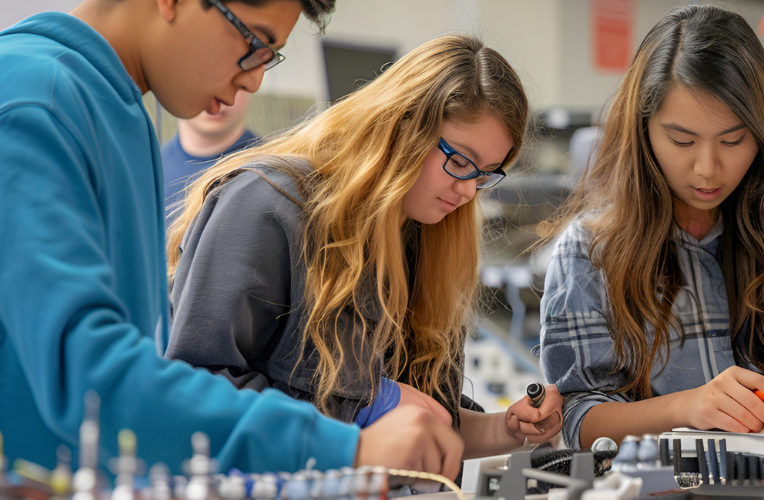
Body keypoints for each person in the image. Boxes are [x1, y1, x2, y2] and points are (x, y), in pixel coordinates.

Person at [0, 0, 466, 477]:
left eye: (270, 55)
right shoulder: (36, 101)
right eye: (254, 42)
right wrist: (343, 447)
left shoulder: (116, 109)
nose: (253, 80)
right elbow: (89, 377)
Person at [165, 33, 564, 460]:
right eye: (460, 161)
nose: (468, 191)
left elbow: (426, 423)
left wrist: (507, 429)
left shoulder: (423, 233)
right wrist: (365, 408)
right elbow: (194, 391)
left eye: (485, 174)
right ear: (400, 126)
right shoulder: (267, 206)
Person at [538, 5, 764, 449]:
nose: (707, 168)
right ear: (643, 131)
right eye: (682, 141)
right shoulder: (589, 253)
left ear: (763, 136)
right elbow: (576, 418)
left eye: (733, 140)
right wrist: (687, 408)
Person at [163, 89, 257, 211]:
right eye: (198, 79)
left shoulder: (271, 174)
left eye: (231, 78)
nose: (215, 97)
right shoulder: (148, 171)